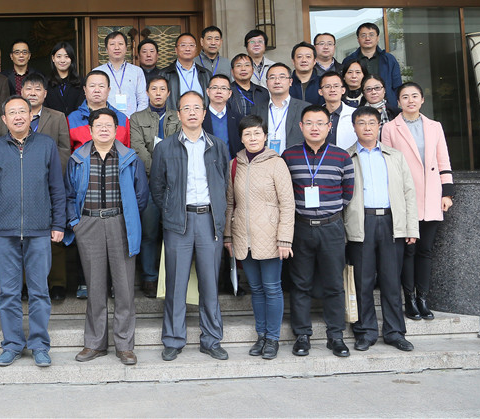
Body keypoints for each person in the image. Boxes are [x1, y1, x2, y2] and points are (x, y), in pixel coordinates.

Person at [0, 96, 66, 367]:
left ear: (31, 116)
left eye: (22, 112)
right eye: (12, 113)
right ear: (4, 119)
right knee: (8, 293)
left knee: (39, 291)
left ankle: (39, 345)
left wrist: (58, 223)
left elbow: (57, 188)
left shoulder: (46, 145)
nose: (17, 117)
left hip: (39, 230)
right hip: (4, 231)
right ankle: (13, 344)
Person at [65, 108, 149, 366]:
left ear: (116, 130)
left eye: (108, 126)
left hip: (120, 223)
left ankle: (124, 346)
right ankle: (94, 343)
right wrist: (76, 223)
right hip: (88, 224)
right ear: (90, 130)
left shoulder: (130, 158)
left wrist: (128, 218)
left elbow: (141, 196)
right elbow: (69, 194)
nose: (103, 129)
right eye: (98, 126)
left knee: (124, 287)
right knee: (95, 286)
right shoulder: (78, 159)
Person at [150, 91, 230, 362]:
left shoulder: (218, 146)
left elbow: (224, 184)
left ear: (204, 113)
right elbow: (157, 187)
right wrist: (171, 210)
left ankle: (211, 339)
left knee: (210, 283)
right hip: (178, 222)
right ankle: (174, 339)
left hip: (209, 220)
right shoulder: (165, 147)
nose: (192, 112)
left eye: (197, 108)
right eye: (187, 108)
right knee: (176, 283)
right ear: (179, 114)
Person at [282, 105, 355, 358]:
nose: (315, 128)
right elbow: (284, 191)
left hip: (331, 227)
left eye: (320, 123)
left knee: (334, 284)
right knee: (300, 283)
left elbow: (347, 193)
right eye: (309, 123)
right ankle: (302, 335)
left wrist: (327, 211)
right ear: (301, 127)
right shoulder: (289, 156)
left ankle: (336, 336)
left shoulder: (341, 157)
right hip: (300, 227)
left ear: (329, 127)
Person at [345, 106, 419, 352]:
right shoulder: (346, 157)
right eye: (361, 123)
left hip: (391, 222)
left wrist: (411, 228)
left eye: (371, 123)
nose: (367, 127)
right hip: (360, 223)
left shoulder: (395, 156)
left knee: (391, 281)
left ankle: (395, 332)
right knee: (362, 281)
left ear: (379, 126)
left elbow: (408, 192)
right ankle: (365, 332)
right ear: (354, 127)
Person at [224, 114, 295, 360]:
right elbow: (230, 203)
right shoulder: (235, 164)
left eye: (257, 133)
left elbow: (287, 204)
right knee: (255, 289)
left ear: (265, 136)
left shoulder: (277, 163)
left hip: (271, 237)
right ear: (241, 138)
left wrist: (284, 239)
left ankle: (273, 338)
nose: (253, 138)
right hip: (243, 237)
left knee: (272, 288)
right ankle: (261, 335)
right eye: (247, 134)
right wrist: (228, 236)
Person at [382, 82, 454, 321]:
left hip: (432, 195)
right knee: (408, 251)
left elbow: (443, 159)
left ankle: (423, 299)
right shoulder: (390, 128)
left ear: (422, 100)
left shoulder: (434, 126)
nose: (410, 100)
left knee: (426, 250)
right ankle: (410, 300)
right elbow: (388, 165)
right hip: (406, 198)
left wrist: (447, 193)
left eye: (415, 96)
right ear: (398, 102)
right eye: (405, 97)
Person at [0, 73, 72, 300]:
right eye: (28, 89)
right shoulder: (11, 117)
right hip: (19, 182)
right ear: (21, 92)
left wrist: (48, 172)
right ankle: (23, 284)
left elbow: (64, 149)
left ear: (45, 93)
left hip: (49, 182)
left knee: (53, 236)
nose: (32, 92)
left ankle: (57, 283)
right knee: (22, 238)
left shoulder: (57, 117)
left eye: (37, 89)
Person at [129, 74, 181, 297]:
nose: (158, 93)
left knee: (174, 233)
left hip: (174, 184)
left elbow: (179, 146)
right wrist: (159, 171)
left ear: (168, 93)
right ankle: (149, 277)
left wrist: (168, 172)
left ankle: (173, 277)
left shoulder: (178, 117)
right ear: (147, 92)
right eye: (154, 89)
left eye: (162, 89)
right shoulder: (136, 118)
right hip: (149, 182)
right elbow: (137, 148)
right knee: (149, 232)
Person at [251, 63, 309, 155]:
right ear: (267, 83)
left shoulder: (305, 109)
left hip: (295, 160)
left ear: (290, 82)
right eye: (272, 77)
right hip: (264, 160)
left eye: (282, 77)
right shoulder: (256, 110)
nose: (277, 81)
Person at [67, 70, 131, 152]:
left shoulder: (121, 119)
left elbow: (127, 152)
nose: (97, 90)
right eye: (92, 86)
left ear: (108, 90)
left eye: (101, 86)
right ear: (85, 90)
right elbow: (67, 152)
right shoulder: (72, 119)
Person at [343, 22, 402, 110]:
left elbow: (397, 86)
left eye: (371, 35)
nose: (367, 38)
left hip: (387, 107)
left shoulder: (389, 59)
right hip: (357, 107)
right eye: (363, 35)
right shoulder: (349, 60)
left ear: (377, 38)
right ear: (358, 39)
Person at [94, 31, 148, 117]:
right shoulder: (97, 72)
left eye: (120, 44)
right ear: (106, 49)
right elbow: (94, 100)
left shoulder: (137, 71)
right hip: (105, 121)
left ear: (126, 48)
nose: (117, 48)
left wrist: (136, 120)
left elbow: (143, 100)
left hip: (132, 121)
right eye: (112, 44)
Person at [160, 33, 210, 111]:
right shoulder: (164, 74)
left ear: (196, 49)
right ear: (176, 50)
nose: (187, 49)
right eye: (183, 45)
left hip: (201, 117)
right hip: (174, 117)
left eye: (191, 45)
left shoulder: (206, 74)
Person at [202, 74, 242, 159]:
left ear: (229, 93)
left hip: (233, 165)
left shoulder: (239, 119)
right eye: (215, 87)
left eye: (223, 88)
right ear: (208, 92)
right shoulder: (200, 118)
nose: (219, 91)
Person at [46, 42, 86, 117]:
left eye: (66, 56)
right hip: (52, 122)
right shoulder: (45, 82)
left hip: (75, 121)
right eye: (59, 56)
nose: (62, 60)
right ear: (53, 58)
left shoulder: (81, 82)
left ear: (71, 59)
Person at [319, 71, 357, 149]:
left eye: (336, 86)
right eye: (327, 86)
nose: (332, 90)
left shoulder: (355, 114)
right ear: (320, 92)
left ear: (343, 90)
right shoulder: (315, 116)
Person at [230, 53, 270, 118]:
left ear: (252, 70)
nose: (243, 69)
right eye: (238, 65)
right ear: (232, 71)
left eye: (247, 65)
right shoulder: (227, 91)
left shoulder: (263, 92)